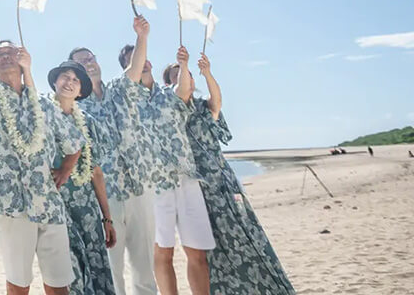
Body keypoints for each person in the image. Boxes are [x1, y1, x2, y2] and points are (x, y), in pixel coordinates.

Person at [0, 21, 82, 295]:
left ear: (23, 60)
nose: (7, 57)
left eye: (12, 53)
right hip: (10, 205)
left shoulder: (44, 104)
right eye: (0, 55)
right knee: (18, 284)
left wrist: (65, 170)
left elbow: (74, 142)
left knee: (60, 285)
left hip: (48, 203)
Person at [169, 54, 295, 295]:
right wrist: (184, 66)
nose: (185, 78)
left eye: (186, 75)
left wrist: (207, 73)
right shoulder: (173, 112)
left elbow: (216, 101)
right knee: (214, 243)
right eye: (177, 77)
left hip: (223, 178)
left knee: (246, 232)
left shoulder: (204, 107)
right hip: (198, 186)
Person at [69, 17, 156, 295]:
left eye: (91, 58)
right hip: (106, 197)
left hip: (139, 188)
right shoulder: (75, 109)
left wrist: (142, 36)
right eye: (82, 62)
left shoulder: (120, 88)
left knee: (145, 269)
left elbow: (136, 66)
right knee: (113, 270)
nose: (90, 63)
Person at [142, 48, 213, 295]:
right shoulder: (127, 100)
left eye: (141, 58)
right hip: (154, 185)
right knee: (163, 251)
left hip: (187, 179)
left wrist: (184, 65)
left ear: (148, 61)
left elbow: (184, 90)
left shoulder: (168, 94)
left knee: (197, 251)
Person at [47, 60, 118, 295]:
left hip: (87, 209)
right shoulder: (42, 115)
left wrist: (107, 218)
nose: (69, 82)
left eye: (76, 80)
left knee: (97, 268)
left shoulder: (89, 122)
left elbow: (96, 171)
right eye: (65, 76)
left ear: (80, 91)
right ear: (55, 82)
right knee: (71, 270)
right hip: (57, 205)